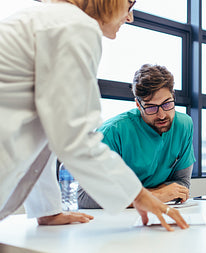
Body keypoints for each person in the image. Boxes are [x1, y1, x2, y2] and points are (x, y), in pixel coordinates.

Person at [0, 0, 188, 247]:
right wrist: (140, 197)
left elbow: (52, 131)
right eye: (129, 3)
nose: (130, 17)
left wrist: (47, 211)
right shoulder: (75, 27)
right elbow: (75, 137)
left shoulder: (52, 21)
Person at [78, 64, 195, 208]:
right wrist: (153, 195)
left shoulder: (184, 125)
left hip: (158, 213)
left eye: (167, 104)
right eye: (151, 107)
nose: (162, 115)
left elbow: (182, 185)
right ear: (138, 105)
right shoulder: (112, 132)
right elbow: (84, 197)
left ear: (173, 97)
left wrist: (143, 195)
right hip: (117, 220)